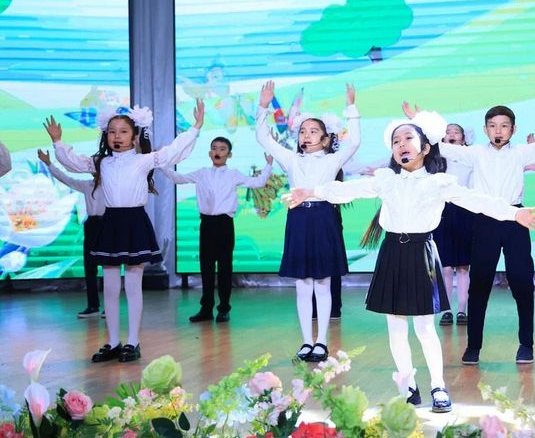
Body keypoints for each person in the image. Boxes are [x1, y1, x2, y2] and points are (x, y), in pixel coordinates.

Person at [285, 111, 535, 413]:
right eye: (396, 141)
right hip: (392, 254)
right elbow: (346, 190)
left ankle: (438, 386)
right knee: (396, 328)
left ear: (425, 147)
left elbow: (478, 201)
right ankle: (408, 386)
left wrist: (515, 213)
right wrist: (310, 191)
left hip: (422, 252)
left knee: (424, 328)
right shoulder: (386, 180)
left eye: (408, 138)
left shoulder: (439, 183)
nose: (401, 144)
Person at [434, 87, 535, 365]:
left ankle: (526, 345)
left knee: (522, 283)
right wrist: (420, 123)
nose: (498, 130)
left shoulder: (521, 152)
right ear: (485, 129)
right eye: (493, 126)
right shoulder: (475, 153)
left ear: (513, 129)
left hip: (516, 220)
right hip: (484, 221)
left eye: (504, 126)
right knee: (479, 285)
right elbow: (439, 147)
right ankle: (473, 347)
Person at [45, 101, 204, 363]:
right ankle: (112, 342)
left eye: (123, 132)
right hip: (110, 222)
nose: (116, 136)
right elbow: (73, 163)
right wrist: (58, 142)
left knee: (132, 285)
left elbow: (172, 153)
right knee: (109, 286)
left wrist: (195, 128)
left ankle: (132, 341)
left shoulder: (143, 160)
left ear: (134, 136)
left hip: (134, 222)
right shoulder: (101, 162)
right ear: (105, 135)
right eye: (112, 132)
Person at [256, 81, 360, 363]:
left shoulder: (332, 160)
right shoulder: (291, 159)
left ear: (325, 139)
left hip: (324, 219)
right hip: (299, 219)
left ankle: (322, 341)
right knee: (302, 284)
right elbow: (264, 139)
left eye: (314, 131)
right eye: (303, 131)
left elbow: (355, 142)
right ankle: (305, 341)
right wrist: (263, 106)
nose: (307, 134)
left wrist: (351, 107)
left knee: (323, 283)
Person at [160, 137, 274, 323]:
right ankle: (206, 309)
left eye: (222, 149)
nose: (217, 152)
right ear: (209, 153)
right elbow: (178, 178)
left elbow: (258, 182)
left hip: (224, 224)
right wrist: (162, 164)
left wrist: (268, 164)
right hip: (207, 224)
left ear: (229, 154)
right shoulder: (202, 173)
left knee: (224, 268)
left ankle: (224, 309)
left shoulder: (233, 174)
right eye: (214, 148)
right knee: (206, 268)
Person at [37, 149, 106, 318]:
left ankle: (110, 307)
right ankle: (93, 306)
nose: (92, 167)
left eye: (95, 164)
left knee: (109, 267)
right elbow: (66, 179)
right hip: (92, 225)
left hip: (108, 224)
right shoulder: (87, 185)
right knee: (90, 266)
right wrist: (49, 164)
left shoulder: (113, 185)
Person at [431, 122, 474, 327]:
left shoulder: (471, 159)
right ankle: (446, 310)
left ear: (463, 138)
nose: (452, 134)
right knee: (446, 267)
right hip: (443, 212)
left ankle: (462, 310)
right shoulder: (436, 160)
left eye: (456, 132)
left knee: (463, 267)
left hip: (465, 211)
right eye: (448, 132)